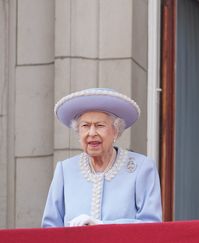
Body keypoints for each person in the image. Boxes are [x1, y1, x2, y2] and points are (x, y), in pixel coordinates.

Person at [42, 88, 162, 227]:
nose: (92, 133)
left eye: (99, 125)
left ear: (116, 131)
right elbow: (50, 228)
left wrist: (102, 225)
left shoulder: (141, 168)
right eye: (85, 126)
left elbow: (152, 225)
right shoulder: (65, 170)